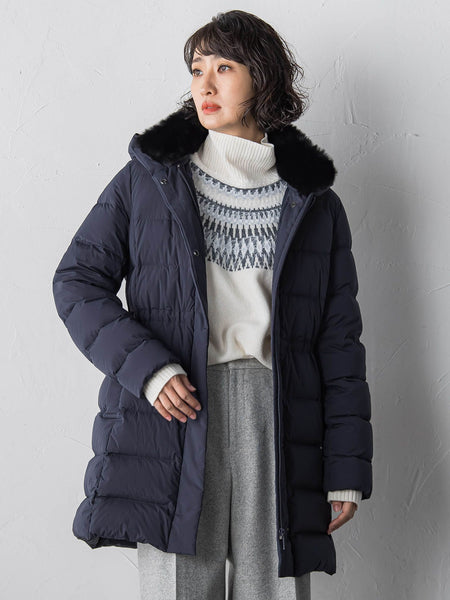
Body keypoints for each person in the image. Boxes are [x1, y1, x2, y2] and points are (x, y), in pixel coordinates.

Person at [52, 9, 373, 600]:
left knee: (274, 590)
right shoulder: (149, 181)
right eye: (197, 68)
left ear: (263, 77)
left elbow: (339, 343)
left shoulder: (314, 203)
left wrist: (346, 470)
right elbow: (77, 281)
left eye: (224, 67)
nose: (204, 83)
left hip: (278, 414)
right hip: (175, 412)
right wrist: (148, 368)